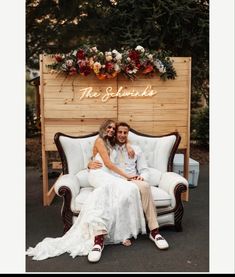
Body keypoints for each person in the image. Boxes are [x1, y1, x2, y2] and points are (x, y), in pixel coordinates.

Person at [26, 119, 146, 263]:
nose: (112, 131)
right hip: (97, 173)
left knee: (121, 191)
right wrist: (128, 176)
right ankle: (99, 239)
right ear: (104, 128)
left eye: (114, 129)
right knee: (124, 187)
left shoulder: (111, 143)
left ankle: (116, 234)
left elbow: (102, 153)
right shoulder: (100, 140)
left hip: (107, 174)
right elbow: (106, 163)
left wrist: (127, 144)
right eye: (110, 128)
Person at [88, 121, 169, 252]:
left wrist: (142, 177)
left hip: (133, 179)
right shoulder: (110, 146)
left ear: (128, 134)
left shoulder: (136, 149)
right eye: (119, 132)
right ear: (115, 134)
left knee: (145, 187)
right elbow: (100, 158)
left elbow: (144, 169)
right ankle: (113, 235)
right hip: (115, 179)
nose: (122, 135)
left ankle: (155, 231)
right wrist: (89, 164)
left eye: (125, 133)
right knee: (114, 192)